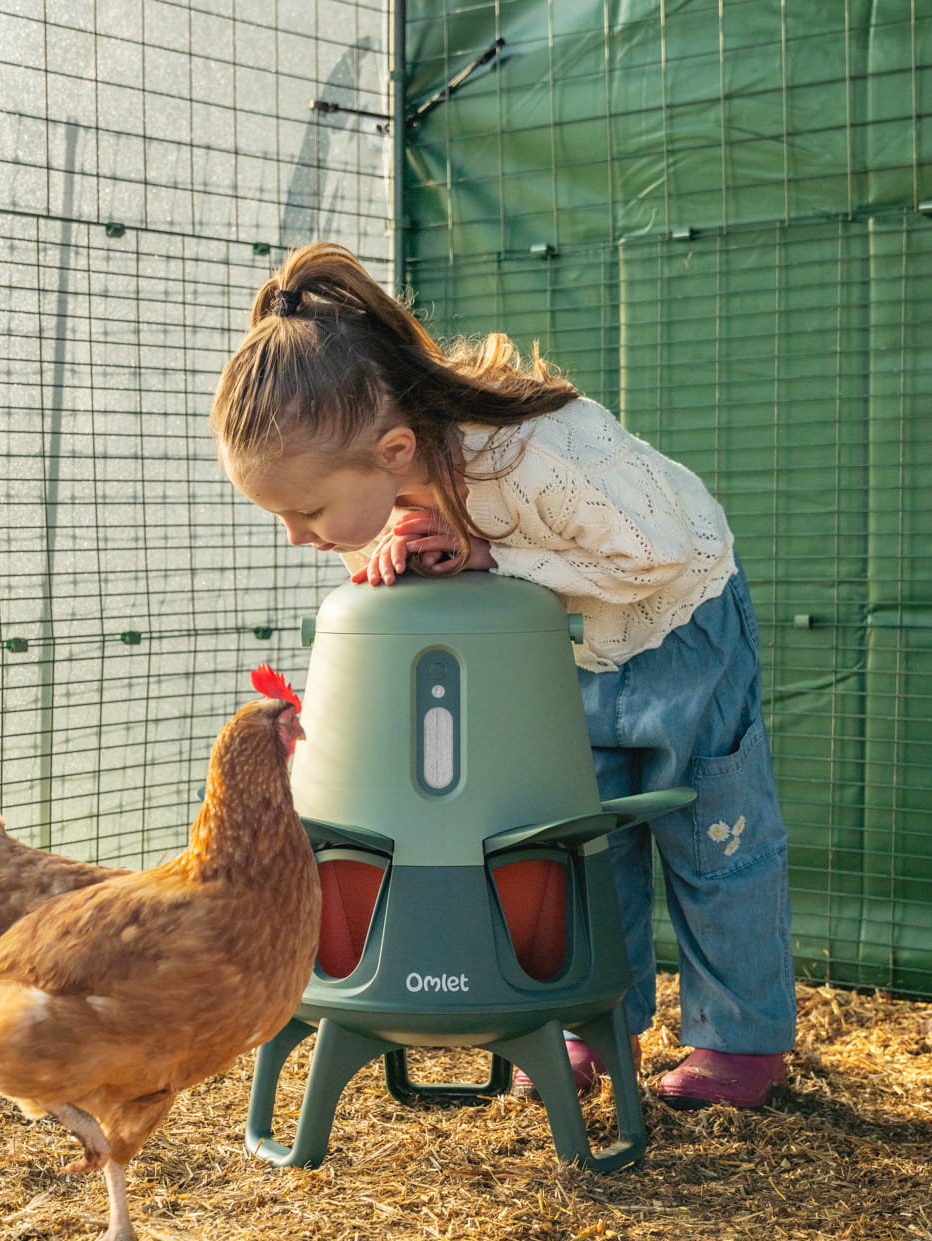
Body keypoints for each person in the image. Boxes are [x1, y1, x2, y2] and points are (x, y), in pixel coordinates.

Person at [209, 243, 794, 1109]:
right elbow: (471, 564)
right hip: (570, 652)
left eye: (306, 511)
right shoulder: (404, 477)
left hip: (681, 626)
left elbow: (653, 554)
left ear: (394, 447)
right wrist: (409, 559)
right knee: (579, 837)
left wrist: (490, 551)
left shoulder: (529, 454)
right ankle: (595, 1023)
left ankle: (740, 1044)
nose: (298, 535)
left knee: (715, 837)